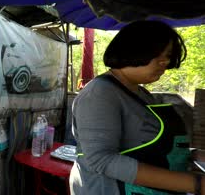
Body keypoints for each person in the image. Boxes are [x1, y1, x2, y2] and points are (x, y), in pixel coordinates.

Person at [70, 21, 204, 195]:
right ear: (132, 49)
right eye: (158, 55)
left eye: (168, 56)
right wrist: (196, 184)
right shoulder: (100, 93)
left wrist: (193, 154)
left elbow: (144, 145)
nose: (165, 62)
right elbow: (101, 160)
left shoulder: (140, 93)